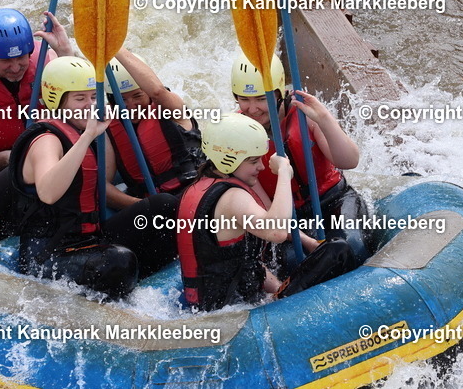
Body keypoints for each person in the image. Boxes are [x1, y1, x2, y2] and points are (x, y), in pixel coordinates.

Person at [9, 56, 179, 299]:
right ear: (56, 101)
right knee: (117, 262)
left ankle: (141, 286)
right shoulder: (46, 140)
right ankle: (125, 287)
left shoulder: (80, 130)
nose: (89, 105)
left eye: (92, 97)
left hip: (88, 238)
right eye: (80, 99)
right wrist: (87, 137)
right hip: (48, 255)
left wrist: (91, 133)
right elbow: (48, 192)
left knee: (164, 207)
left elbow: (104, 177)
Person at [177, 113, 355, 311]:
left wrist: (280, 288)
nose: (261, 167)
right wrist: (284, 175)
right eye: (253, 161)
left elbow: (244, 262)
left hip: (212, 303)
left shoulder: (200, 186)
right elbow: (276, 232)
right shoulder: (232, 198)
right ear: (227, 159)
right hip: (230, 311)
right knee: (337, 251)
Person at [231, 50, 370, 265]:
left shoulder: (305, 112)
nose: (252, 109)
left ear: (279, 94)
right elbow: (268, 210)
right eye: (244, 99)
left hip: (333, 199)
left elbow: (349, 161)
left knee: (353, 247)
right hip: (288, 215)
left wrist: (324, 119)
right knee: (293, 261)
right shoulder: (237, 133)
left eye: (261, 99)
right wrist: (306, 241)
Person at [0, 9, 68, 237]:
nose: (16, 67)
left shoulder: (50, 62)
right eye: (6, 61)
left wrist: (66, 51)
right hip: (7, 175)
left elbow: (85, 105)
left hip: (55, 166)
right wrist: (13, 157)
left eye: (21, 57)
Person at [103, 50, 206, 199]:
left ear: (147, 93)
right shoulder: (109, 125)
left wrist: (115, 46)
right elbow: (104, 186)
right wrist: (141, 205)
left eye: (137, 96)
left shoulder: (170, 108)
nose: (131, 105)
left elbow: (158, 91)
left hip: (193, 192)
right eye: (121, 99)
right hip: (148, 203)